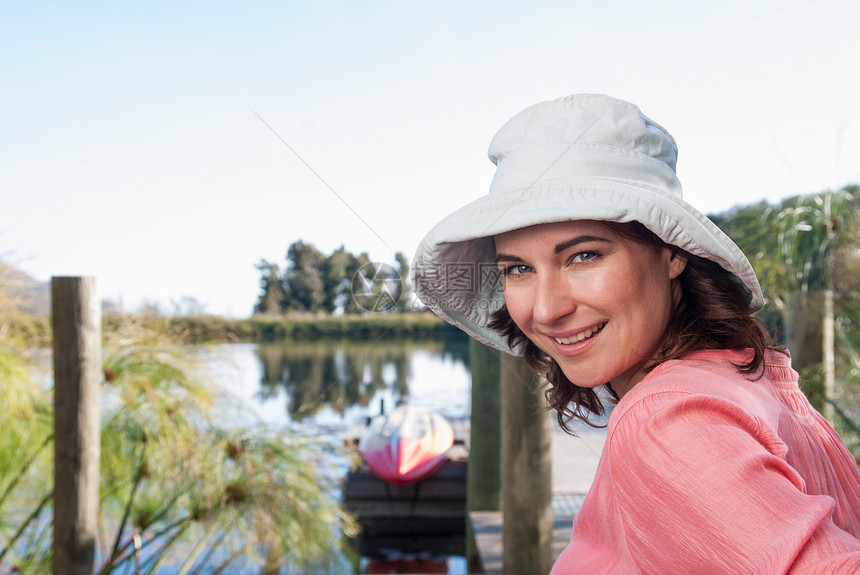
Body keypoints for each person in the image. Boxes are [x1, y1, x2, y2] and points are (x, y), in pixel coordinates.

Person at [411, 94, 860, 573]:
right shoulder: (748, 382)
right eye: (518, 268)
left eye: (584, 256)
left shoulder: (666, 421)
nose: (546, 309)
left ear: (672, 252)